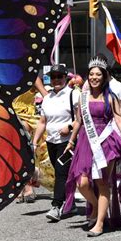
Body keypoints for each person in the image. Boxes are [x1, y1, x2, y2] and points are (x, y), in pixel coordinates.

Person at [62, 56, 121, 237]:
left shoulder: (110, 97)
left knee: (103, 183)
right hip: (86, 142)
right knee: (82, 182)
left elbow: (119, 118)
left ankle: (100, 223)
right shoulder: (82, 96)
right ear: (88, 76)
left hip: (105, 142)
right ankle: (96, 206)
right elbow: (79, 120)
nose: (94, 77)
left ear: (104, 77)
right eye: (91, 74)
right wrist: (71, 141)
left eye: (98, 74)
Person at [32, 64, 80, 222]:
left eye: (60, 76)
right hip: (51, 141)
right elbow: (42, 122)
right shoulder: (47, 98)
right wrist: (34, 142)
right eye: (53, 77)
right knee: (61, 173)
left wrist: (70, 127)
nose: (56, 80)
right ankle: (70, 202)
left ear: (66, 77)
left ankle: (56, 206)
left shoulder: (74, 95)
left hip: (68, 142)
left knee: (60, 173)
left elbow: (82, 118)